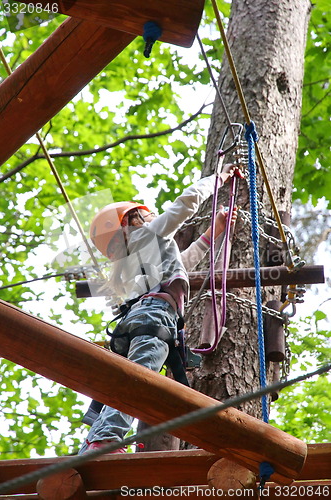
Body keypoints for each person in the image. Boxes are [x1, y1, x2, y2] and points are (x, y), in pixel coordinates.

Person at [79, 164, 240, 454]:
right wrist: (218, 179)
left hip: (137, 322)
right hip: (154, 316)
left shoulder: (130, 261)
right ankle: (106, 440)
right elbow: (184, 204)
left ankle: (94, 441)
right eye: (149, 214)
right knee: (140, 382)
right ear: (133, 219)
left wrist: (214, 231)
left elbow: (183, 264)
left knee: (126, 382)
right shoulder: (145, 234)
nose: (154, 216)